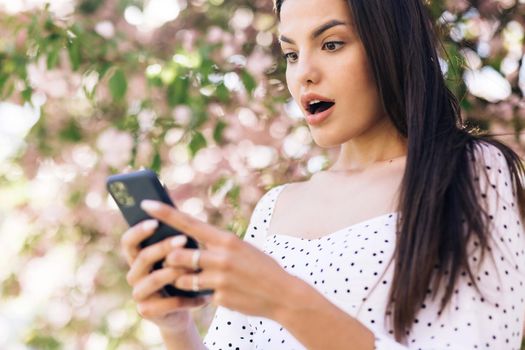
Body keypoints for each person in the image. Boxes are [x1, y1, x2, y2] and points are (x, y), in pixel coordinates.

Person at [120, 0, 525, 348]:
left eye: (331, 44)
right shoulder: (274, 208)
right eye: (292, 54)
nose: (304, 74)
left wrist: (284, 299)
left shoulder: (471, 171)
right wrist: (175, 327)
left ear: (391, 46)